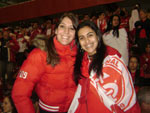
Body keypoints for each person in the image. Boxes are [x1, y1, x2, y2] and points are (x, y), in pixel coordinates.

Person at [12, 12, 78, 113]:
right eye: (62, 26)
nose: (66, 32)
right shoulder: (39, 54)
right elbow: (19, 94)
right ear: (55, 30)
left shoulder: (79, 54)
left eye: (72, 28)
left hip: (73, 109)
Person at [68, 20, 141, 113]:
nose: (87, 41)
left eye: (90, 35)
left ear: (98, 36)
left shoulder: (112, 59)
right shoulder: (81, 61)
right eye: (82, 38)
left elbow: (124, 93)